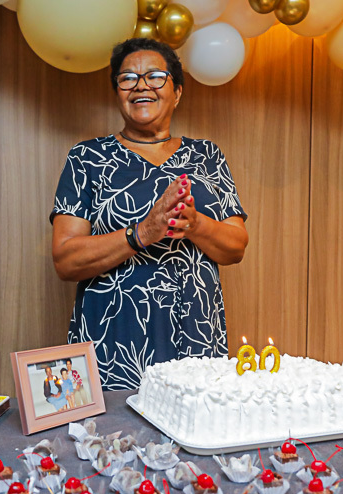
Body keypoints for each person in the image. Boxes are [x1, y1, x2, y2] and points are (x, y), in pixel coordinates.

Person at [50, 38, 249, 390]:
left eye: (155, 76)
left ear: (177, 92)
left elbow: (236, 247)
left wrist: (195, 223)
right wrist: (142, 232)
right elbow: (66, 260)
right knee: (113, 426)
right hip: (113, 343)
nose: (141, 85)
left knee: (194, 421)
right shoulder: (87, 158)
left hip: (196, 337)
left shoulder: (207, 156)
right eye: (127, 78)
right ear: (117, 93)